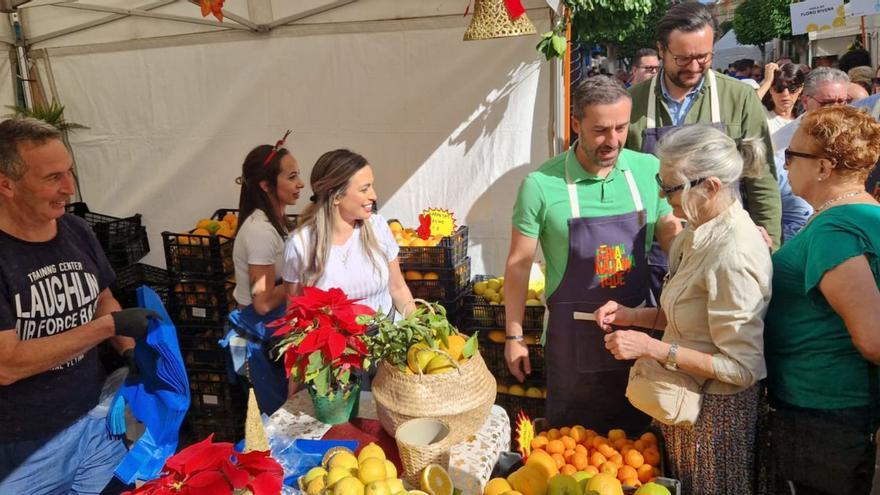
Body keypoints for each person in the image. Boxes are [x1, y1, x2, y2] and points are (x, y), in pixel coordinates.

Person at [596, 125, 772, 495]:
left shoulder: (733, 253)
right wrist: (633, 316)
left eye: (672, 187)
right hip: (687, 409)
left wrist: (652, 348)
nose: (661, 194)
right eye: (661, 181)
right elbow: (689, 317)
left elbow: (741, 368)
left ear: (710, 187)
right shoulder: (698, 232)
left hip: (716, 423)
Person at [504, 76, 682, 432]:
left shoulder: (647, 170)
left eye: (620, 128)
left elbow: (670, 232)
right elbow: (519, 263)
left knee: (638, 448)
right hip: (572, 346)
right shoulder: (541, 185)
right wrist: (514, 334)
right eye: (600, 130)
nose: (613, 140)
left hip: (638, 335)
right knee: (571, 447)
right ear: (575, 124)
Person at [0, 118, 157, 494]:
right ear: (6, 184)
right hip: (23, 443)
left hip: (95, 419)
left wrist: (131, 352)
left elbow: (102, 297)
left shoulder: (75, 230)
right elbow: (6, 364)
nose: (69, 188)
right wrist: (108, 328)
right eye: (53, 177)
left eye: (69, 172)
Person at [763, 105, 880, 494]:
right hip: (831, 414)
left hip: (825, 416)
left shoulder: (834, 230)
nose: (785, 163)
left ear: (824, 167)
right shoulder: (858, 216)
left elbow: (873, 338)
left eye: (792, 155)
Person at [627, 2, 782, 254]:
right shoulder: (633, 103)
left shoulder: (739, 97)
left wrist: (770, 246)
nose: (694, 66)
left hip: (725, 246)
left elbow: (760, 178)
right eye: (683, 58)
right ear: (661, 50)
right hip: (652, 249)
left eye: (704, 57)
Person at [282, 149, 415, 318]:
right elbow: (295, 310)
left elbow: (398, 288)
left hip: (389, 337)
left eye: (372, 186)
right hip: (334, 343)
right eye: (364, 189)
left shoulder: (378, 227)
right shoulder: (300, 244)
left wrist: (421, 333)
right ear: (336, 196)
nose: (373, 195)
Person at [228, 134, 305, 414]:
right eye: (292, 177)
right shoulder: (260, 232)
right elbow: (262, 301)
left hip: (273, 332)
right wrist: (302, 280)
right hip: (261, 340)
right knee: (276, 422)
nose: (300, 184)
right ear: (265, 185)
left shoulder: (276, 223)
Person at [760, 63, 805, 136]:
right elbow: (745, 107)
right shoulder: (763, 115)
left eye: (792, 88)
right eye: (779, 88)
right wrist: (767, 82)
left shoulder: (805, 119)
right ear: (770, 89)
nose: (785, 94)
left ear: (800, 89)